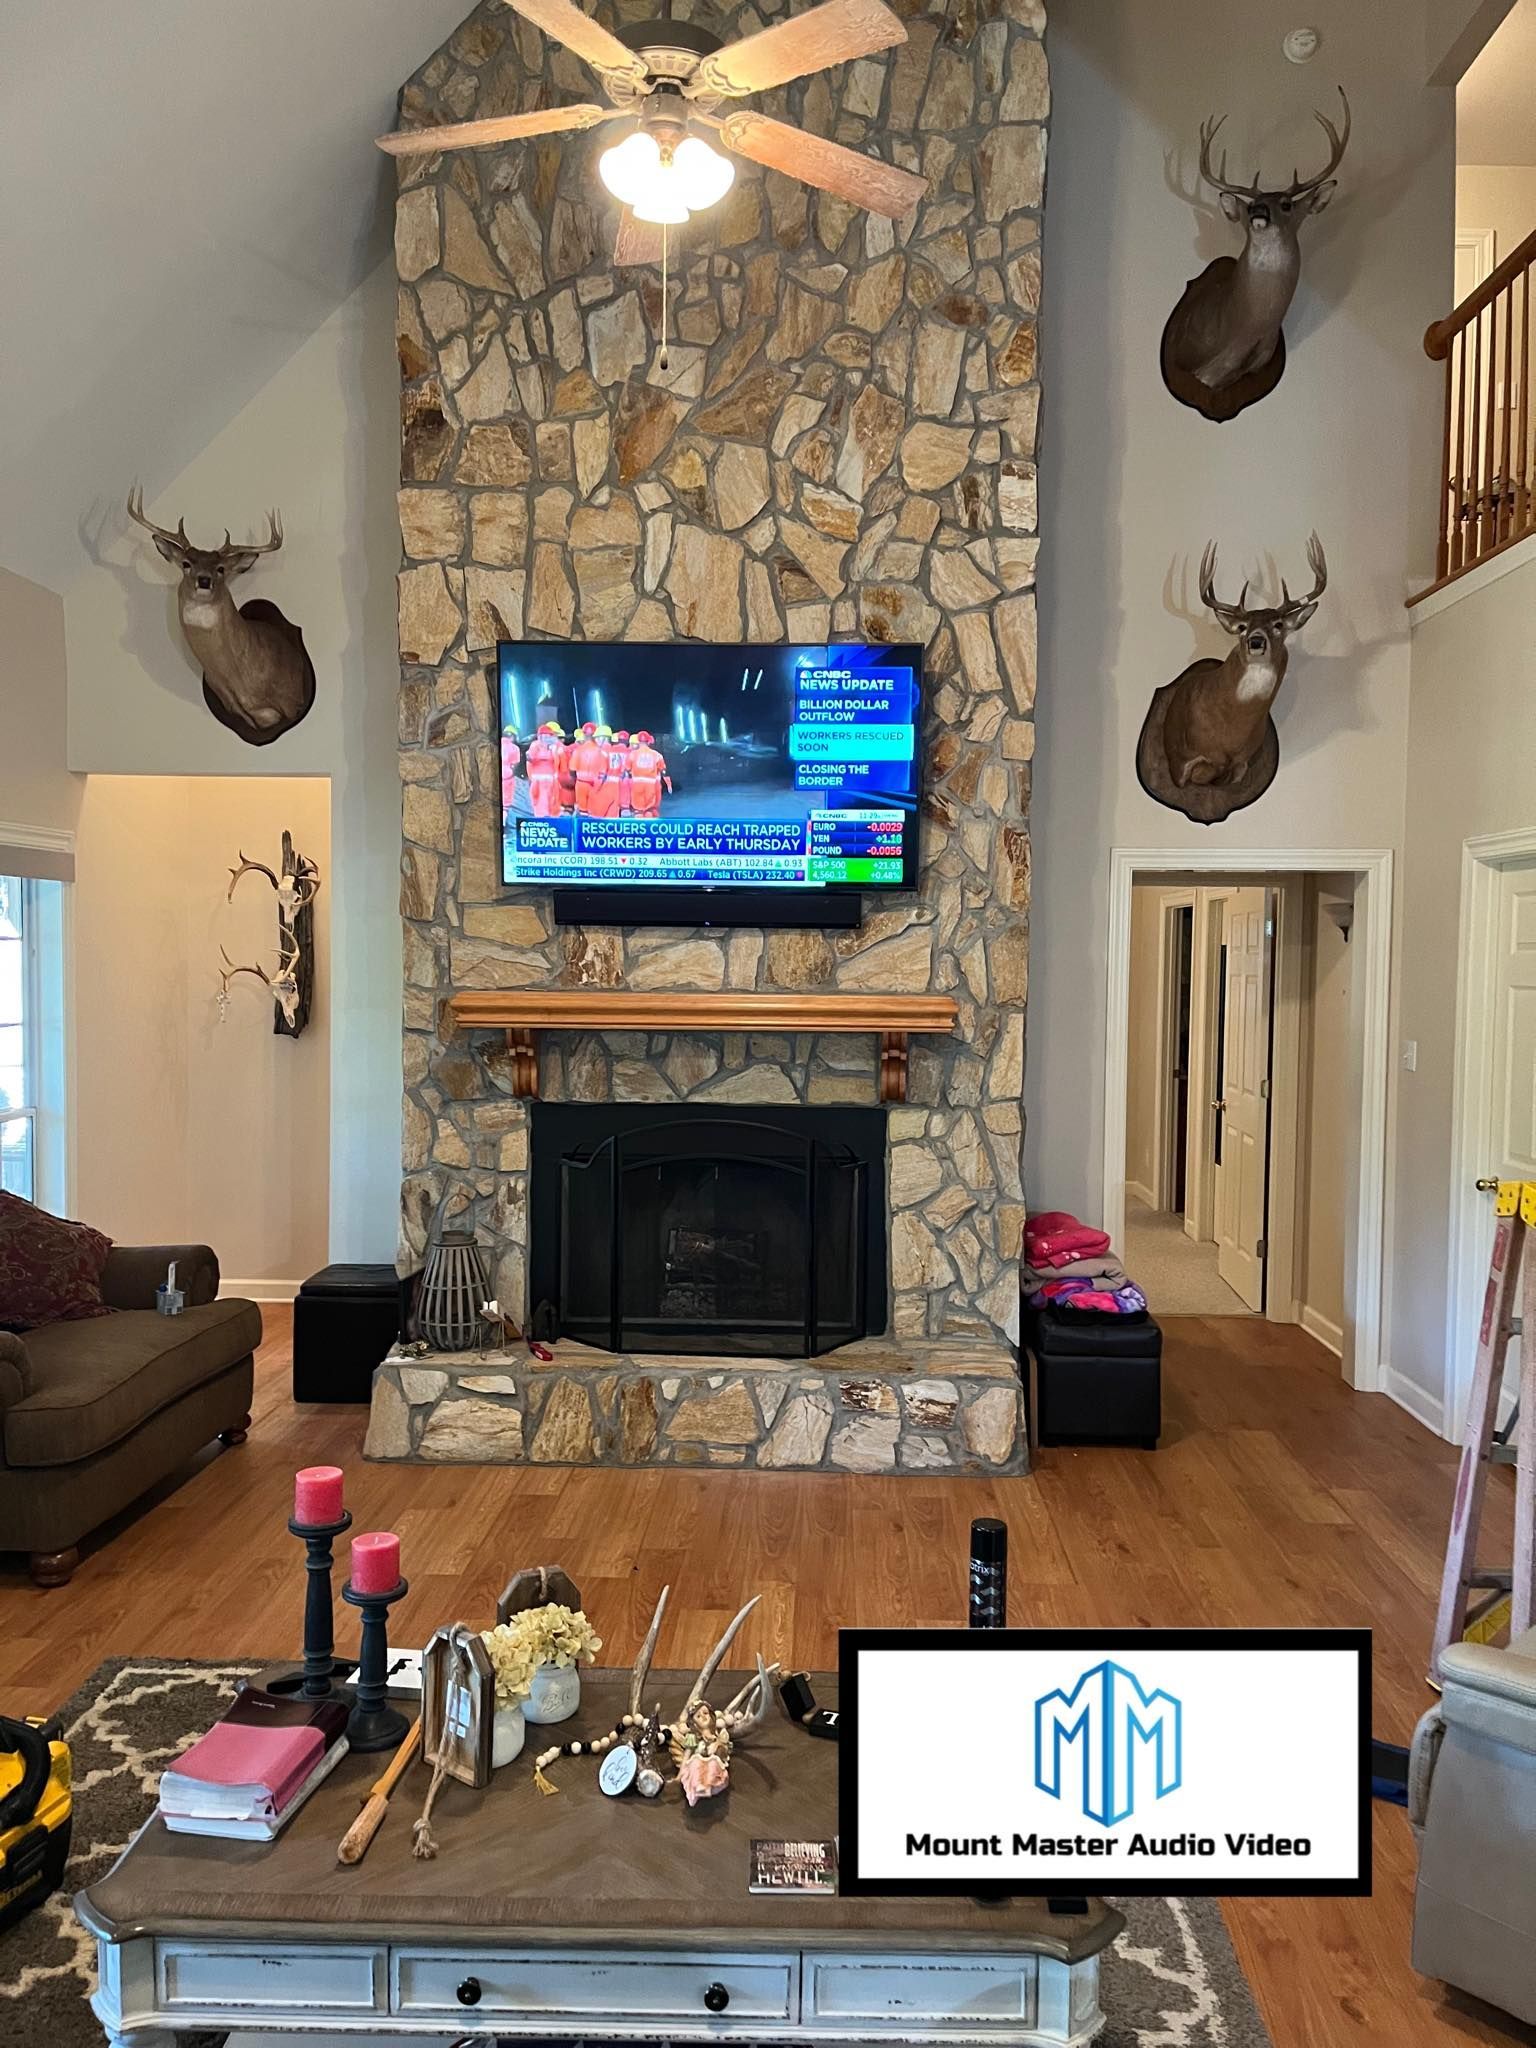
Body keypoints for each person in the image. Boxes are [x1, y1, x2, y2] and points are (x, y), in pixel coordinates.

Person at [628, 730, 672, 818]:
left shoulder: (632, 754)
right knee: (649, 809)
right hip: (650, 785)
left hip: (637, 784)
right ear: (648, 741)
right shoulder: (657, 755)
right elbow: (664, 771)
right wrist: (669, 785)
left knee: (638, 810)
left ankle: (639, 825)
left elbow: (627, 769)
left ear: (638, 741)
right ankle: (649, 824)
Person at [525, 722, 564, 819]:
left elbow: (560, 762)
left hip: (552, 782)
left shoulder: (555, 746)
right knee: (541, 805)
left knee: (552, 805)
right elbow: (530, 759)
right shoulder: (535, 745)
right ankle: (543, 821)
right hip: (539, 783)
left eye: (549, 736)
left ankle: (553, 821)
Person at [571, 721, 606, 815]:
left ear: (583, 734)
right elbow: (603, 773)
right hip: (595, 785)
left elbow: (572, 769)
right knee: (593, 812)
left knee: (582, 811)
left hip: (580, 783)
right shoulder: (600, 751)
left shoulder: (578, 750)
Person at [500, 725, 522, 815]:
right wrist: (512, 772)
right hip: (508, 777)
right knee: (506, 805)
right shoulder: (514, 748)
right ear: (513, 736)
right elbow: (515, 764)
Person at [614, 730, 634, 815]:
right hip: (625, 779)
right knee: (625, 808)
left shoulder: (611, 750)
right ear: (627, 741)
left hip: (612, 780)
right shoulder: (630, 752)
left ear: (618, 739)